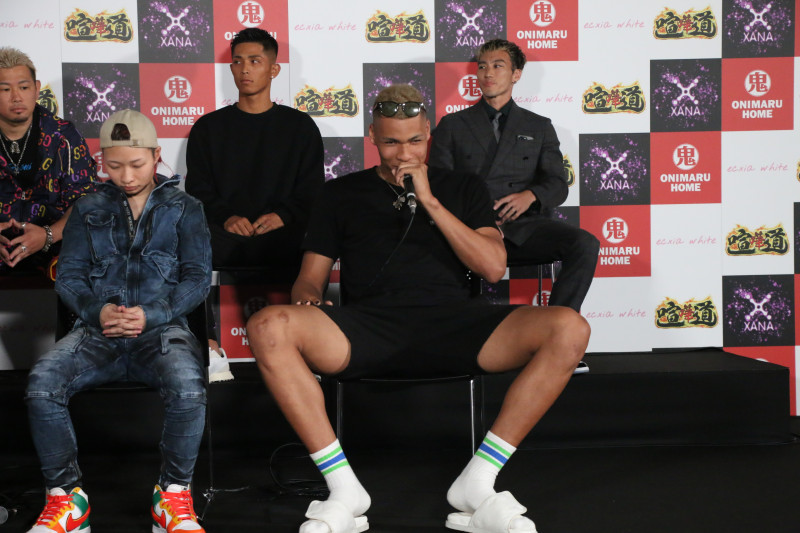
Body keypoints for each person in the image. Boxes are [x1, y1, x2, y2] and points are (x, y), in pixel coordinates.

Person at [246, 84, 590, 533]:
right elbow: (310, 277)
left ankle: (478, 481)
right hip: (367, 328)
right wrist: (308, 300)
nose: (403, 153)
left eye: (414, 140)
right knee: (268, 325)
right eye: (391, 141)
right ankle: (344, 489)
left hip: (458, 325)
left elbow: (492, 268)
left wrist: (429, 201)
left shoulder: (462, 187)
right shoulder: (340, 193)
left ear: (428, 133)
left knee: (568, 328)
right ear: (372, 135)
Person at [24, 110, 211, 533]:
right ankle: (67, 500)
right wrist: (97, 312)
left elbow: (198, 280)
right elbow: (68, 278)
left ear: (157, 155)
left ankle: (172, 497)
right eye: (114, 165)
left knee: (189, 387)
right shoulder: (87, 207)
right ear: (102, 162)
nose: (126, 176)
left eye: (137, 164)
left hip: (162, 333)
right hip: (96, 333)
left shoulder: (186, 208)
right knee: (41, 384)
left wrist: (151, 314)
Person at [185, 27, 324, 375]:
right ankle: (208, 347)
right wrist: (227, 217)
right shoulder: (208, 127)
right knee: (185, 242)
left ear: (274, 69)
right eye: (237, 62)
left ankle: (315, 353)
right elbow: (198, 188)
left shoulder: (301, 127)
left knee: (320, 241)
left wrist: (283, 215)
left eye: (254, 61)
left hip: (285, 236)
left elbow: (312, 191)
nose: (244, 69)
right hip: (224, 236)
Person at [429, 39, 599, 312]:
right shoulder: (453, 125)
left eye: (498, 66)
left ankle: (558, 324)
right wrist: (479, 222)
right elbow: (439, 185)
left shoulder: (539, 126)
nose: (488, 73)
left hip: (524, 229)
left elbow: (558, 184)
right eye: (482, 66)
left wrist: (530, 195)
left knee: (585, 244)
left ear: (516, 74)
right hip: (470, 230)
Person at [0, 47, 97, 277]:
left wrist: (48, 235)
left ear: (36, 89)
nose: (16, 97)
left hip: (55, 251)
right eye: (5, 89)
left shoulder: (64, 137)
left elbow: (86, 199)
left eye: (24, 87)